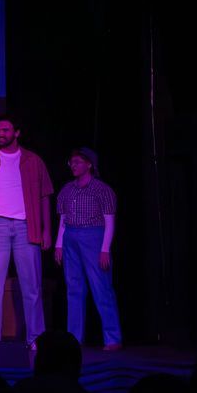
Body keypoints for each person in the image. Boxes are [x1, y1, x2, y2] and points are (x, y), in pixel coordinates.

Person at [0, 115, 54, 347]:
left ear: (17, 132)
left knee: (32, 287)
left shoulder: (33, 161)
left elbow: (45, 197)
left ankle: (35, 338)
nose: (0, 134)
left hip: (27, 228)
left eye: (5, 130)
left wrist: (46, 230)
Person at [54, 148, 122, 351]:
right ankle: (74, 339)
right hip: (71, 237)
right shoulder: (67, 189)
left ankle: (112, 338)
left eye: (78, 162)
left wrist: (105, 249)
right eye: (71, 162)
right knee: (74, 289)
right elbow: (63, 220)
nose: (73, 165)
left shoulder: (102, 189)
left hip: (93, 236)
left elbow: (110, 222)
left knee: (101, 288)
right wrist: (59, 244)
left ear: (89, 164)